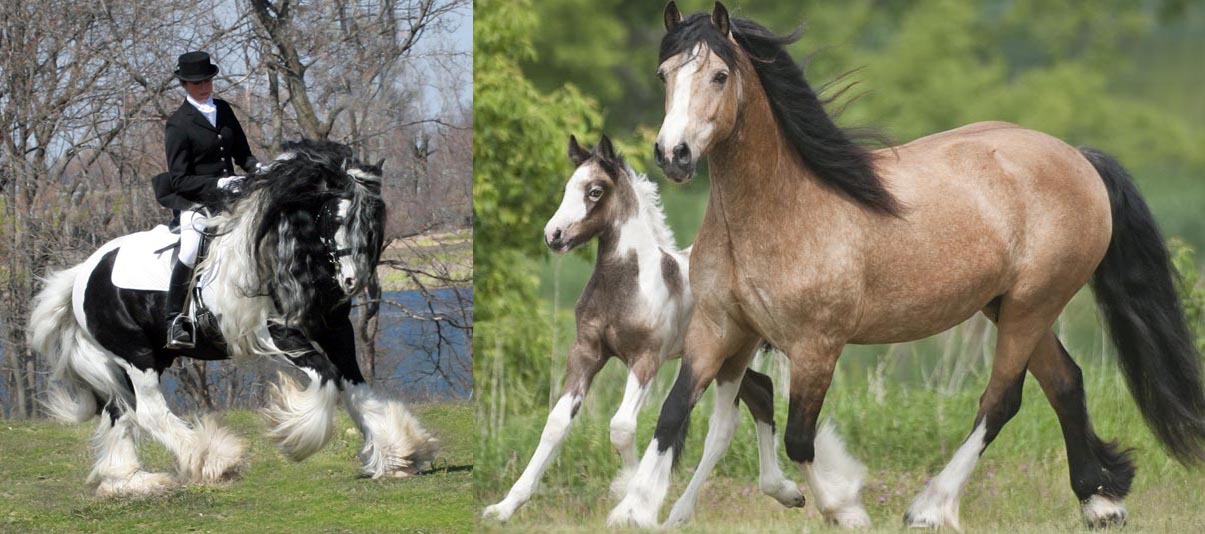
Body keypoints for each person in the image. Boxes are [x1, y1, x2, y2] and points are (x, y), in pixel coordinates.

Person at [153, 51, 259, 349]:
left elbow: (243, 155)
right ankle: (175, 319)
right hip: (196, 200)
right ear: (185, 85)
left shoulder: (223, 109)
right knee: (189, 249)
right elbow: (179, 179)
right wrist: (219, 182)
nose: (204, 87)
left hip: (234, 195)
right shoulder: (178, 123)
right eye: (197, 82)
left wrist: (258, 169)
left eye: (208, 80)